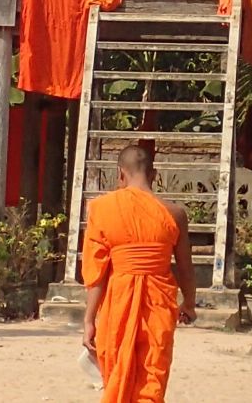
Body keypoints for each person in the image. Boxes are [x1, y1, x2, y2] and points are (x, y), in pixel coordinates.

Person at [80, 145, 197, 402]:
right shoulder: (175, 214)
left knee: (117, 373)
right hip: (159, 305)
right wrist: (188, 304)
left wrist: (89, 320)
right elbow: (186, 269)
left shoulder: (102, 209)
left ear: (120, 174)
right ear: (154, 174)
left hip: (117, 303)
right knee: (152, 374)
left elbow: (97, 272)